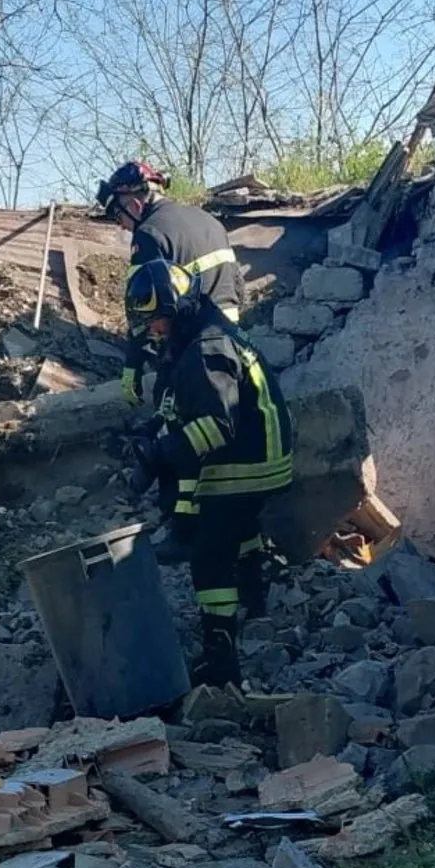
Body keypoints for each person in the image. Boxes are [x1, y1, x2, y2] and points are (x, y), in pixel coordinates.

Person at [123, 259, 293, 688]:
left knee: (209, 555)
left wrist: (161, 454)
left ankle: (221, 663)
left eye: (156, 321)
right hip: (261, 454)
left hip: (248, 462)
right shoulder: (198, 334)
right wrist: (152, 431)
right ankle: (257, 603)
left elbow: (217, 425)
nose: (153, 331)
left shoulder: (206, 345)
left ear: (175, 308)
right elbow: (184, 405)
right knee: (238, 526)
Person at [95, 160, 245, 408]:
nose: (119, 224)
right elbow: (237, 285)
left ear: (134, 204)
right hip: (233, 338)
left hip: (193, 347)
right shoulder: (207, 219)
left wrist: (133, 364)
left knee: (174, 419)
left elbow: (141, 307)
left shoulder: (149, 234)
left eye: (117, 214)